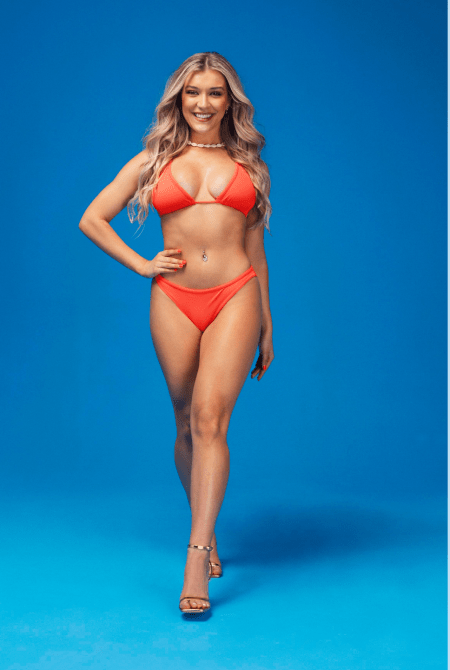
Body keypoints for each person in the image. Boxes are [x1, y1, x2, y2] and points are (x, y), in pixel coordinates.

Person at [78, 51, 274, 615]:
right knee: (186, 421)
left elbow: (257, 251)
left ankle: (196, 557)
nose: (203, 103)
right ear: (178, 99)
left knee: (212, 419)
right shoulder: (154, 159)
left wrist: (267, 323)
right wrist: (142, 265)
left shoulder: (250, 164)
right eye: (193, 92)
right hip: (174, 300)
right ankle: (205, 529)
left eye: (215, 93)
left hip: (236, 293)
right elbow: (92, 217)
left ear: (230, 102)